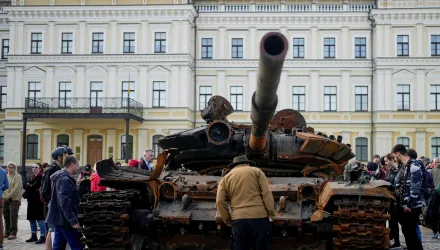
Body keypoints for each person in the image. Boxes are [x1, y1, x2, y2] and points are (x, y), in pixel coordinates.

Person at [216, 155, 275, 250]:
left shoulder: (225, 179)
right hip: (260, 218)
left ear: (234, 166)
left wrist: (228, 221)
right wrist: (271, 214)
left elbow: (219, 202)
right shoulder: (257, 171)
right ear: (247, 164)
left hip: (239, 221)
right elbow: (267, 194)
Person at [46, 155, 84, 250]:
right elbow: (64, 202)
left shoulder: (60, 176)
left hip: (59, 219)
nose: (78, 167)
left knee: (58, 247)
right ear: (71, 165)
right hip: (66, 221)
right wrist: (73, 220)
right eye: (77, 165)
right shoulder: (65, 179)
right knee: (78, 246)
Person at [41, 145, 74, 250]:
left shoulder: (61, 169)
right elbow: (45, 190)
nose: (68, 157)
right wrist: (52, 201)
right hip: (53, 205)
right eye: (65, 155)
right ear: (59, 157)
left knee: (55, 230)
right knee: (51, 230)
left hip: (58, 204)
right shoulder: (51, 170)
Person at [392, 144, 424, 250]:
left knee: (411, 233)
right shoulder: (405, 166)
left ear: (398, 153)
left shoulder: (414, 165)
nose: (394, 158)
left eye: (394, 156)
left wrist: (409, 205)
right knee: (407, 232)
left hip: (411, 206)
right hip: (405, 205)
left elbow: (415, 188)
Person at [24, 163, 46, 244]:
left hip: (38, 201)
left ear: (40, 169)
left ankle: (43, 236)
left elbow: (35, 188)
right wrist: (29, 187)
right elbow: (27, 187)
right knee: (31, 219)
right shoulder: (31, 177)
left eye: (36, 167)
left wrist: (29, 187)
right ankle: (34, 236)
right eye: (33, 167)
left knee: (40, 219)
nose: (34, 169)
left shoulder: (41, 177)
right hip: (31, 200)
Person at [3, 162, 23, 240]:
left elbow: (16, 189)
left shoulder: (18, 176)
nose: (11, 169)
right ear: (7, 168)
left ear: (15, 168)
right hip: (5, 198)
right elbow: (3, 187)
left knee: (13, 217)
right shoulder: (5, 176)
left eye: (12, 167)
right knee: (6, 216)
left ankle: (13, 233)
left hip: (14, 199)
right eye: (9, 167)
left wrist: (7, 196)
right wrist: (5, 196)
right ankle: (7, 232)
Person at [384, 153, 401, 248]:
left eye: (387, 161)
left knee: (397, 221)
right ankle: (395, 241)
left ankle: (396, 241)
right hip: (390, 199)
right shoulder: (389, 171)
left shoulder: (399, 170)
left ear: (392, 160)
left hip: (397, 199)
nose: (386, 163)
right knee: (392, 222)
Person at [0, 164, 9, 250]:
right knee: (0, 221)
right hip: (0, 198)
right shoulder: (3, 171)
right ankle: (0, 243)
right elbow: (7, 185)